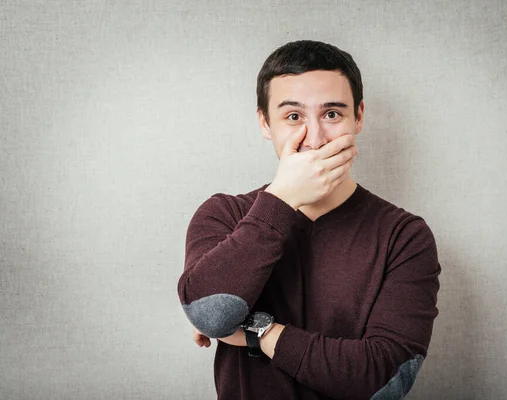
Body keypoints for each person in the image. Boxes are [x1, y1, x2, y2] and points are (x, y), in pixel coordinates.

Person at [177, 40, 441, 400]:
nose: (314, 140)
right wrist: (282, 198)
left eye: (332, 114)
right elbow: (210, 314)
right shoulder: (224, 214)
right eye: (293, 117)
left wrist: (258, 330)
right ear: (265, 123)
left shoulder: (404, 236)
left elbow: (384, 380)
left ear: (358, 117)